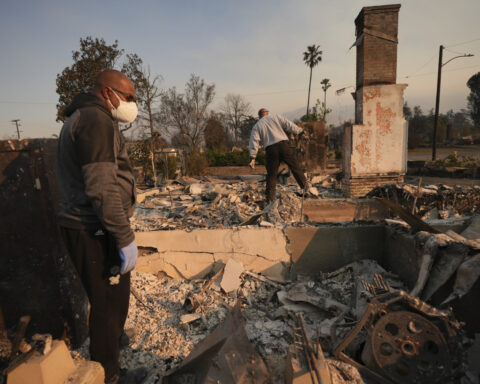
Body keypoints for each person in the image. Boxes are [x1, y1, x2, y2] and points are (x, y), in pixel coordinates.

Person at [56, 69, 139, 384]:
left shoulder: (87, 117)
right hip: (93, 229)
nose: (132, 104)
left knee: (112, 301)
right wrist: (124, 236)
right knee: (106, 305)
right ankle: (109, 375)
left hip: (93, 226)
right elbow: (102, 187)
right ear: (108, 92)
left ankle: (111, 356)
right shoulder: (95, 120)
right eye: (128, 97)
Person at [249, 108, 307, 203]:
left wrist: (252, 157)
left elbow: (254, 141)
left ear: (259, 116)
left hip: (271, 150)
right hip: (283, 146)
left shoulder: (257, 125)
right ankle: (306, 189)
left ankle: (270, 198)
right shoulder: (275, 117)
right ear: (267, 113)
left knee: (272, 174)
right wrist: (300, 132)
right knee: (295, 167)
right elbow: (289, 125)